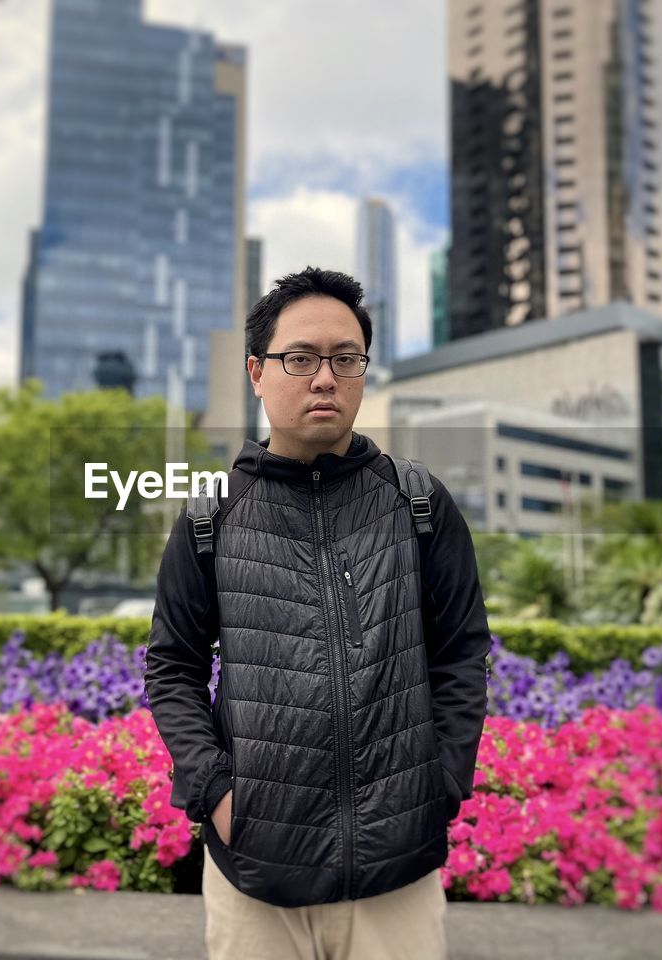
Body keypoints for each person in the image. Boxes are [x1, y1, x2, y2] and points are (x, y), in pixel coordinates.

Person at [144, 266, 491, 960]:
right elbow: (172, 667)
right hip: (256, 877)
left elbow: (461, 655)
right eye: (299, 359)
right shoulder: (211, 518)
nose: (324, 378)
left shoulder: (419, 505)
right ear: (257, 371)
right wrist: (217, 794)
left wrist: (442, 783)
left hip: (398, 877)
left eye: (345, 358)